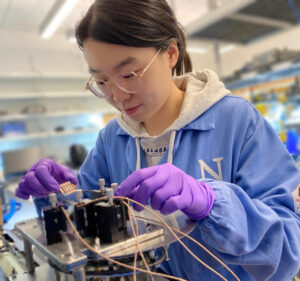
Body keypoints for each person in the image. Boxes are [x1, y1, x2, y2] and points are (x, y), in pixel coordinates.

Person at [15, 0, 300, 280]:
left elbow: (289, 246)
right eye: (102, 81)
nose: (118, 96)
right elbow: (82, 236)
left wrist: (215, 205)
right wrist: (58, 197)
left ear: (171, 53)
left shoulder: (237, 122)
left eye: (128, 74)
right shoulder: (111, 140)